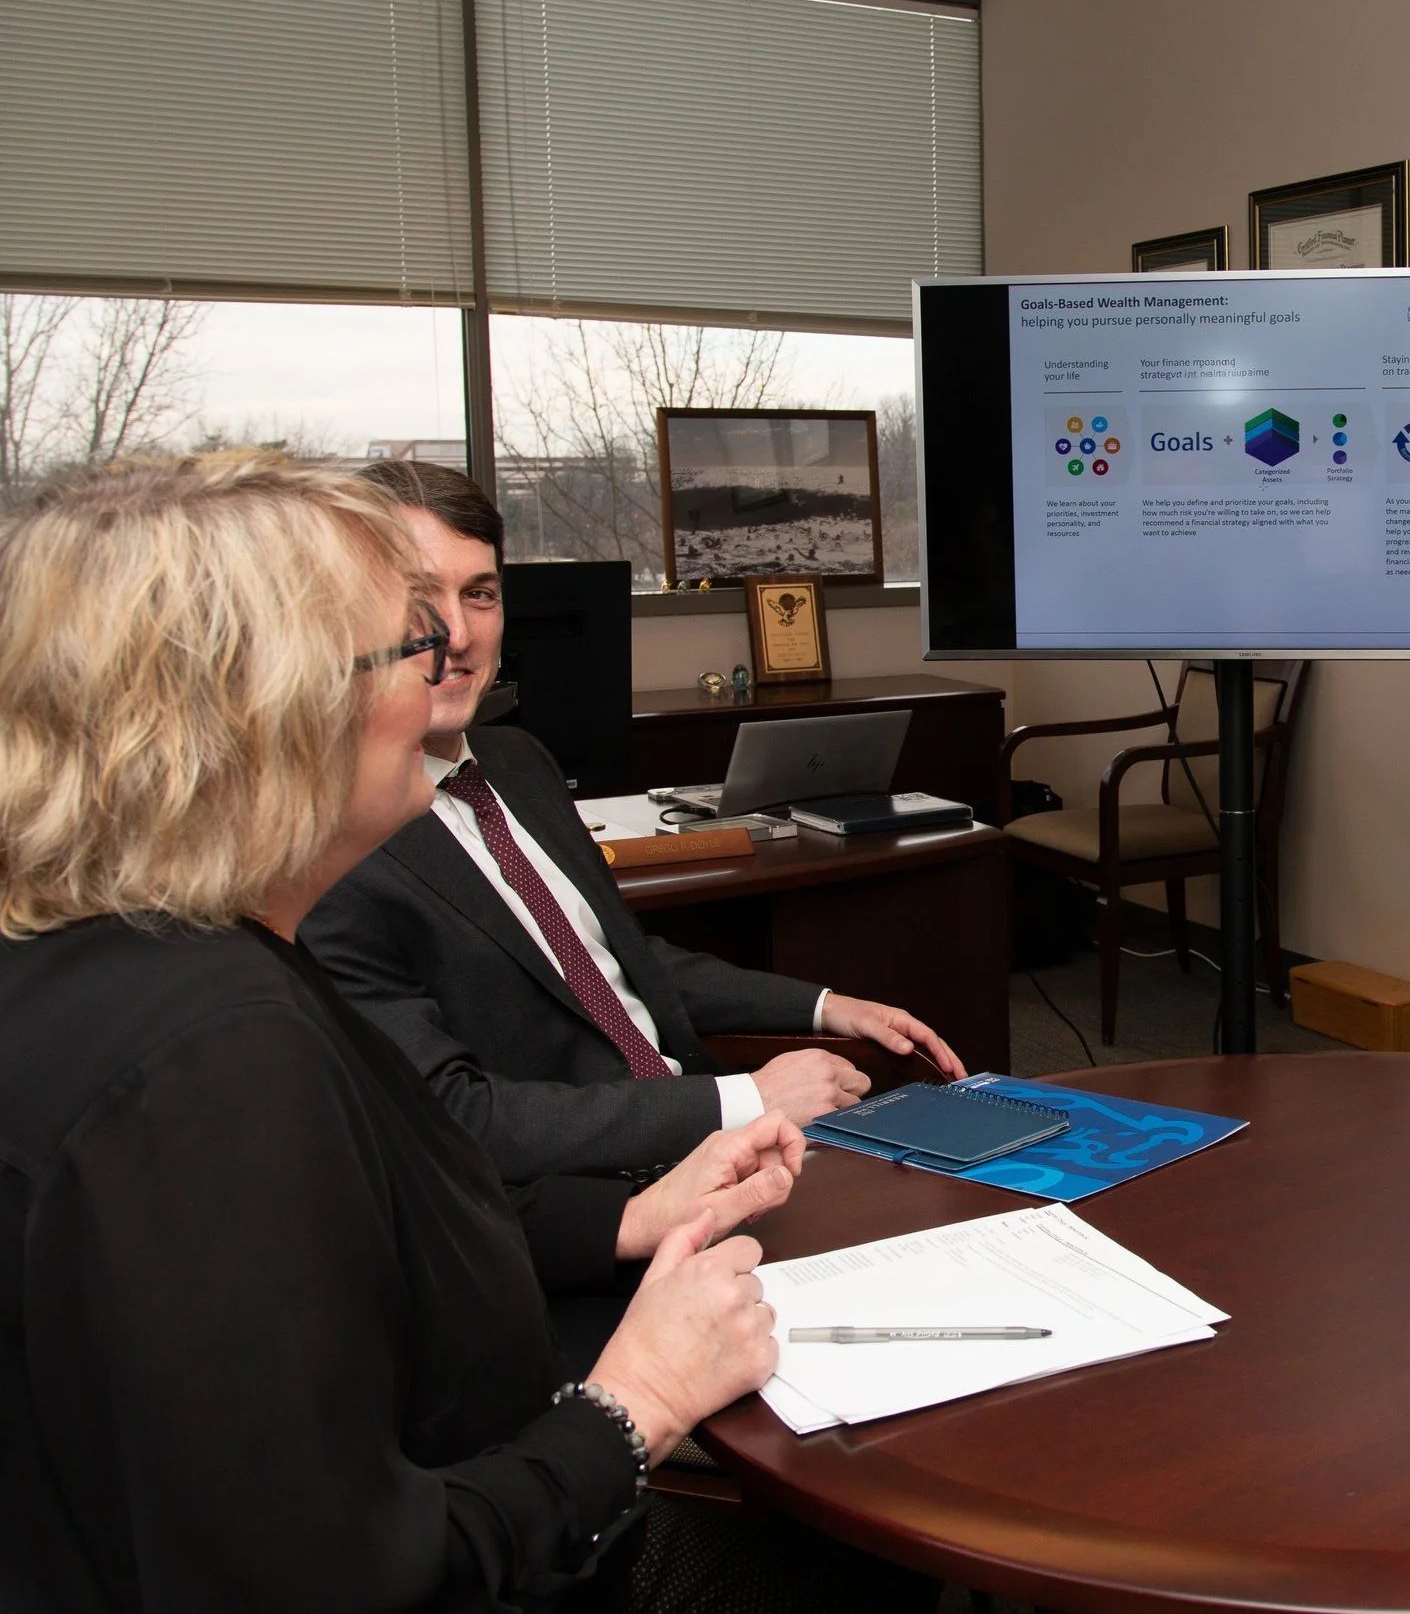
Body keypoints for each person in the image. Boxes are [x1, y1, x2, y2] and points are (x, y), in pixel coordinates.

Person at [0, 453, 843, 1608]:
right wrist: (638, 1399)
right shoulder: (212, 1059)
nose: (443, 660)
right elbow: (334, 1574)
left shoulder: (138, 961)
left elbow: (372, 1230)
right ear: (269, 710)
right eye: (401, 638)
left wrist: (632, 1213)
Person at [302, 460, 964, 1207]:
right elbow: (456, 1115)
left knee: (989, 1191)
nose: (454, 634)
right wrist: (745, 1098)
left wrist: (824, 1004)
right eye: (416, 599)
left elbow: (617, 959)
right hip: (588, 1201)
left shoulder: (517, 762)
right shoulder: (330, 844)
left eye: (479, 594)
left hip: (710, 1140)